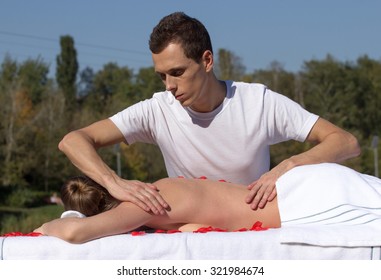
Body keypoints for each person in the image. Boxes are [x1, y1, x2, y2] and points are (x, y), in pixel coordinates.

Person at [58, 12, 360, 215]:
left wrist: (289, 166)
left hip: (250, 223)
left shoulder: (258, 102)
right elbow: (73, 140)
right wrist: (114, 183)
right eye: (162, 76)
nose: (170, 86)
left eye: (177, 72)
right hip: (191, 229)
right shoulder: (156, 110)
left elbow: (346, 142)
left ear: (206, 60)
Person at [34, 163, 381, 244]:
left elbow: (75, 234)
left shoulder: (141, 204)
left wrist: (43, 228)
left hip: (309, 203)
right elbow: (203, 226)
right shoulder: (161, 190)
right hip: (307, 189)